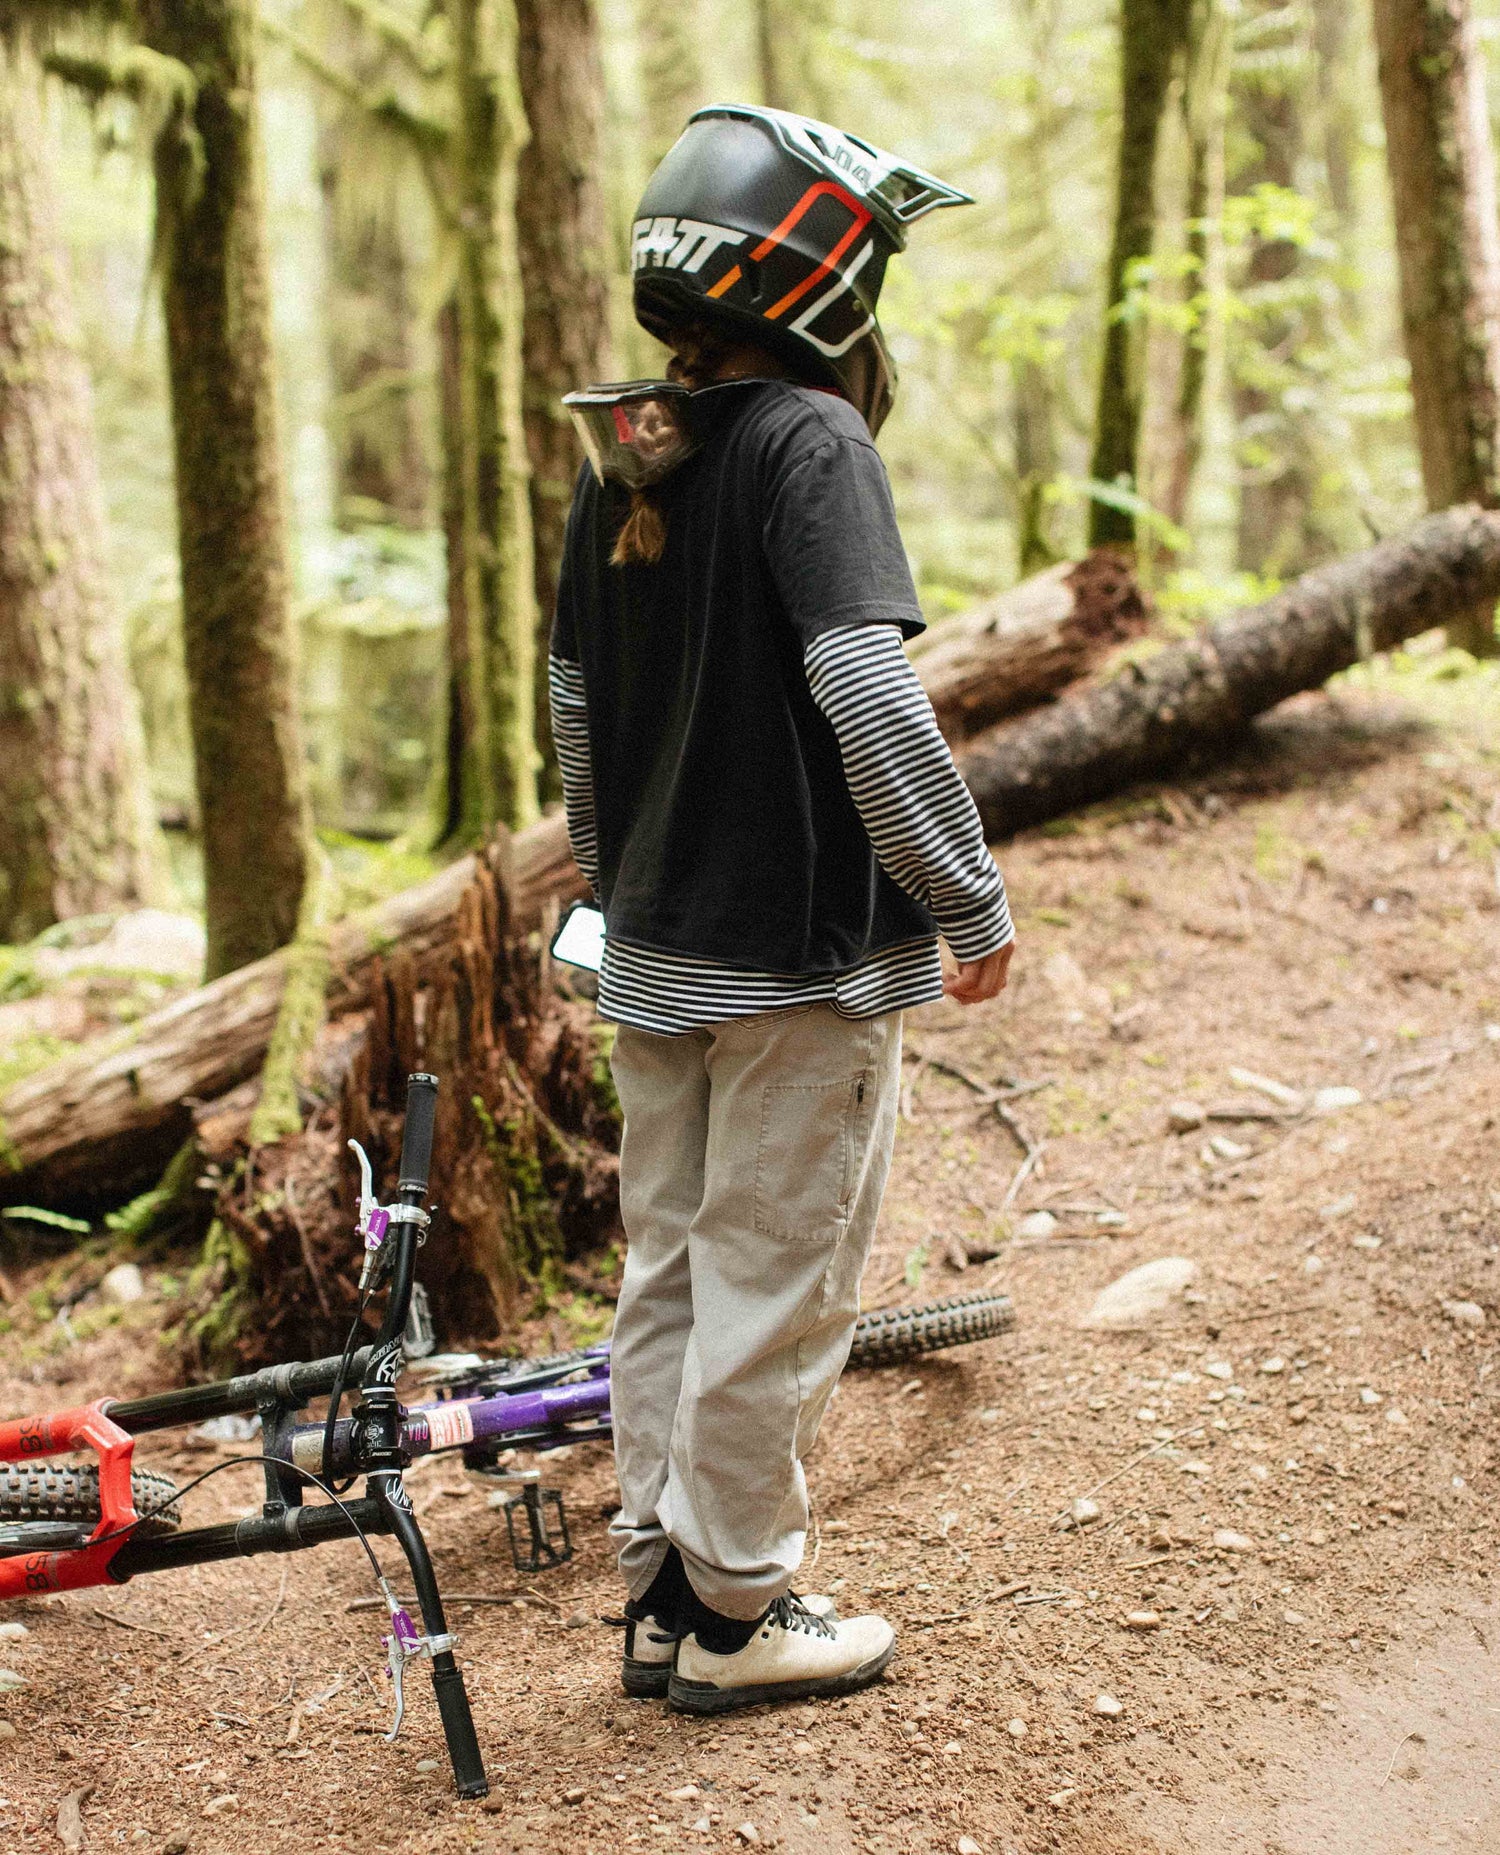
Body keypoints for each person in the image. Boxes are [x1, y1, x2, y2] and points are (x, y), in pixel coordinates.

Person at [549, 104, 1016, 1716]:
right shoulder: (813, 443)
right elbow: (863, 686)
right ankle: (741, 1611)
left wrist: (614, 887)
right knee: (778, 1275)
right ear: (820, 275)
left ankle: (661, 1593)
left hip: (660, 950)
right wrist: (966, 896)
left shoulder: (626, 451)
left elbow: (572, 707)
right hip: (799, 960)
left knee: (670, 1271)